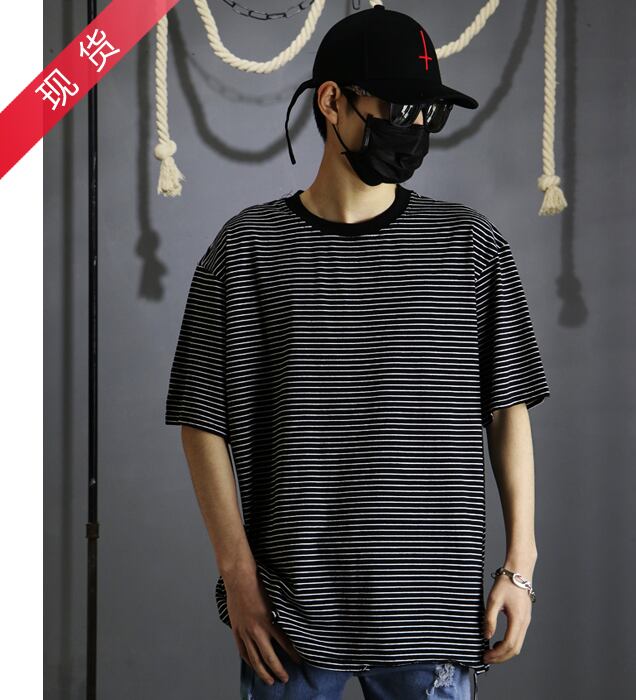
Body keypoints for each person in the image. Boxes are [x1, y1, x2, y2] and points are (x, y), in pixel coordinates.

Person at [165, 6, 550, 700]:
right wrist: (238, 576)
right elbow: (202, 419)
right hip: (289, 612)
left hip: (431, 609)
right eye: (399, 108)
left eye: (429, 113)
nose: (415, 128)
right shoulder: (247, 251)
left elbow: (508, 409)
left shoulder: (470, 247)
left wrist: (520, 564)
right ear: (332, 101)